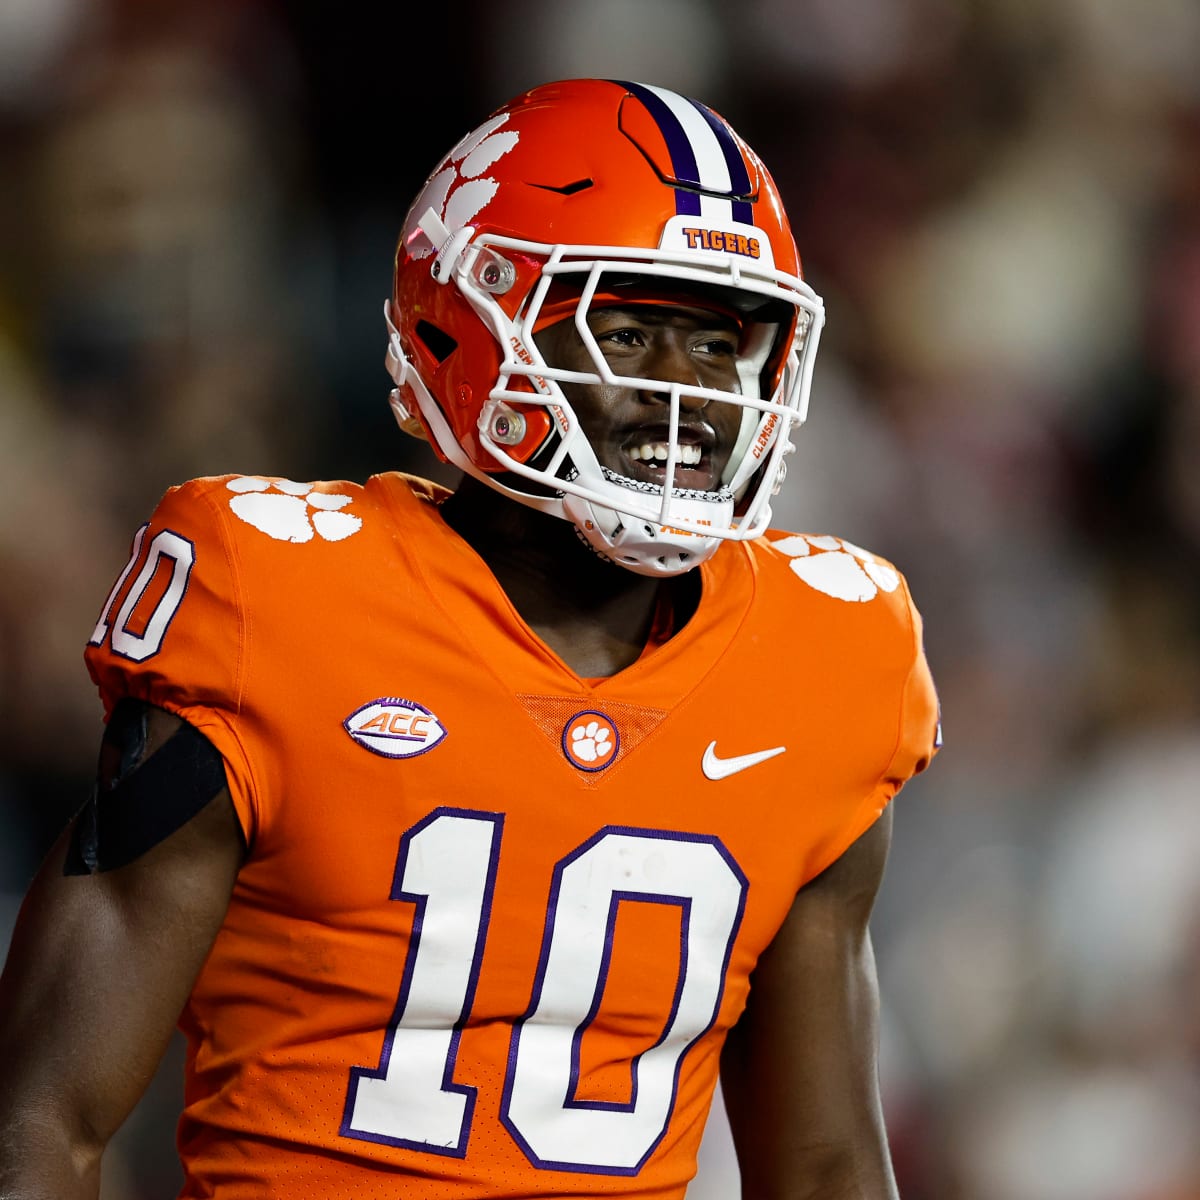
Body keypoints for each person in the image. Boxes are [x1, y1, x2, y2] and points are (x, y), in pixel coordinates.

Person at [0, 78, 940, 1198]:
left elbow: (827, 1165)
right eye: (628, 330)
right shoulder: (276, 596)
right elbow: (43, 1121)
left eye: (719, 346)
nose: (683, 393)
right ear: (467, 323)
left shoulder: (828, 650)